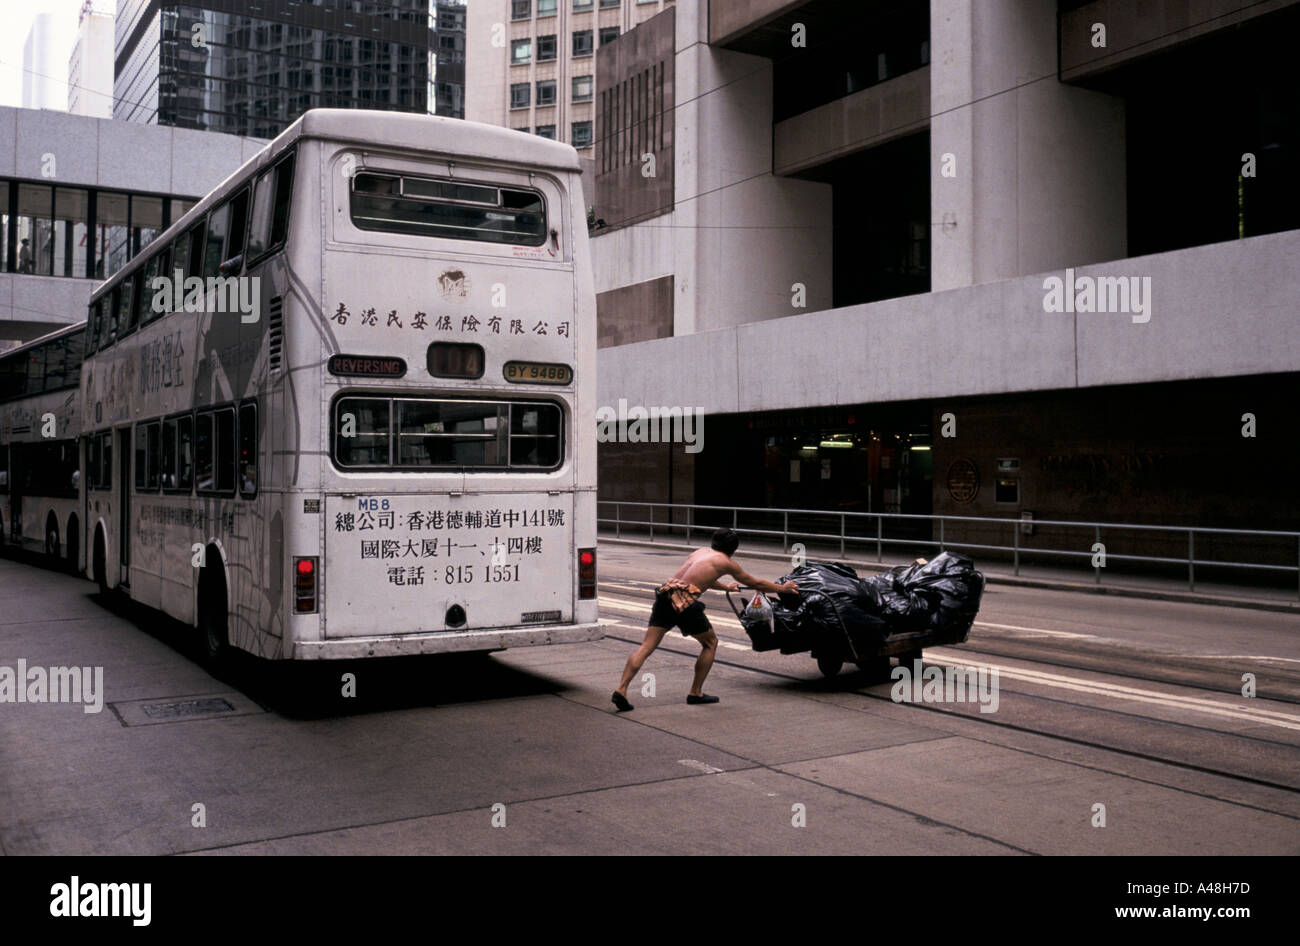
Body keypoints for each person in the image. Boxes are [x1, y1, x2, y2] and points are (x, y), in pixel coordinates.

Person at [612, 527, 799, 711]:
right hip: (685, 604)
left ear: (713, 543)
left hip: (665, 595)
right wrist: (783, 588)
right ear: (734, 549)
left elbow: (701, 578)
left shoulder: (699, 552)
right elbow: (755, 583)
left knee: (646, 646)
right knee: (710, 643)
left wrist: (726, 587)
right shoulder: (726, 562)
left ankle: (621, 689)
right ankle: (696, 693)